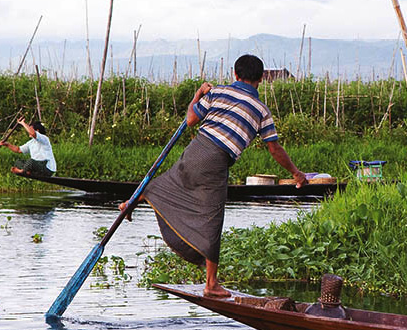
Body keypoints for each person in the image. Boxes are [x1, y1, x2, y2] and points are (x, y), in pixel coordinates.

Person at [121, 54, 307, 298]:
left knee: (167, 183)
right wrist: (296, 173)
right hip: (216, 159)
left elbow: (190, 119)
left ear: (235, 75)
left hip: (195, 150)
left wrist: (197, 96)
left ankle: (131, 201)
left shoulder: (218, 93)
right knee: (212, 218)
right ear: (261, 79)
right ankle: (211, 284)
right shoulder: (262, 111)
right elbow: (274, 148)